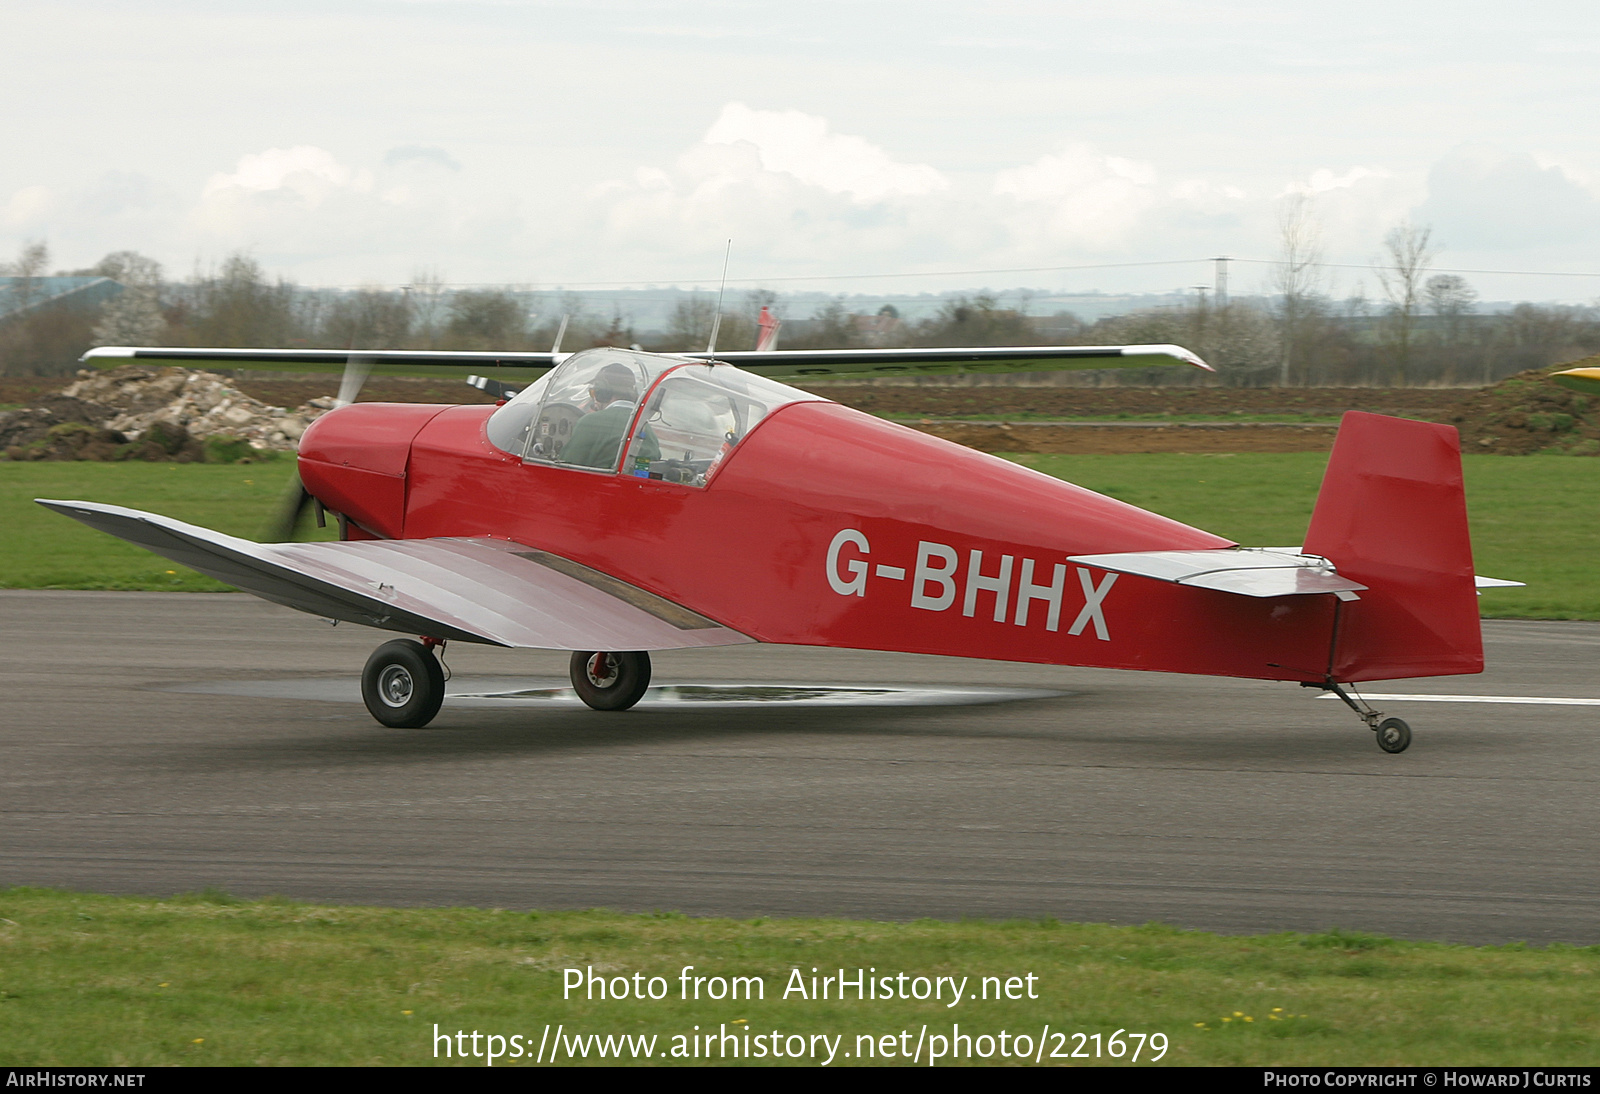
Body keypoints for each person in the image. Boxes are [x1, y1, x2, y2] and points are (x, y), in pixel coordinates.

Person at [560, 363, 658, 470]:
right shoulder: (645, 427)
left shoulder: (590, 422)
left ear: (602, 393)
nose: (593, 399)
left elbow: (567, 465)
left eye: (593, 393)